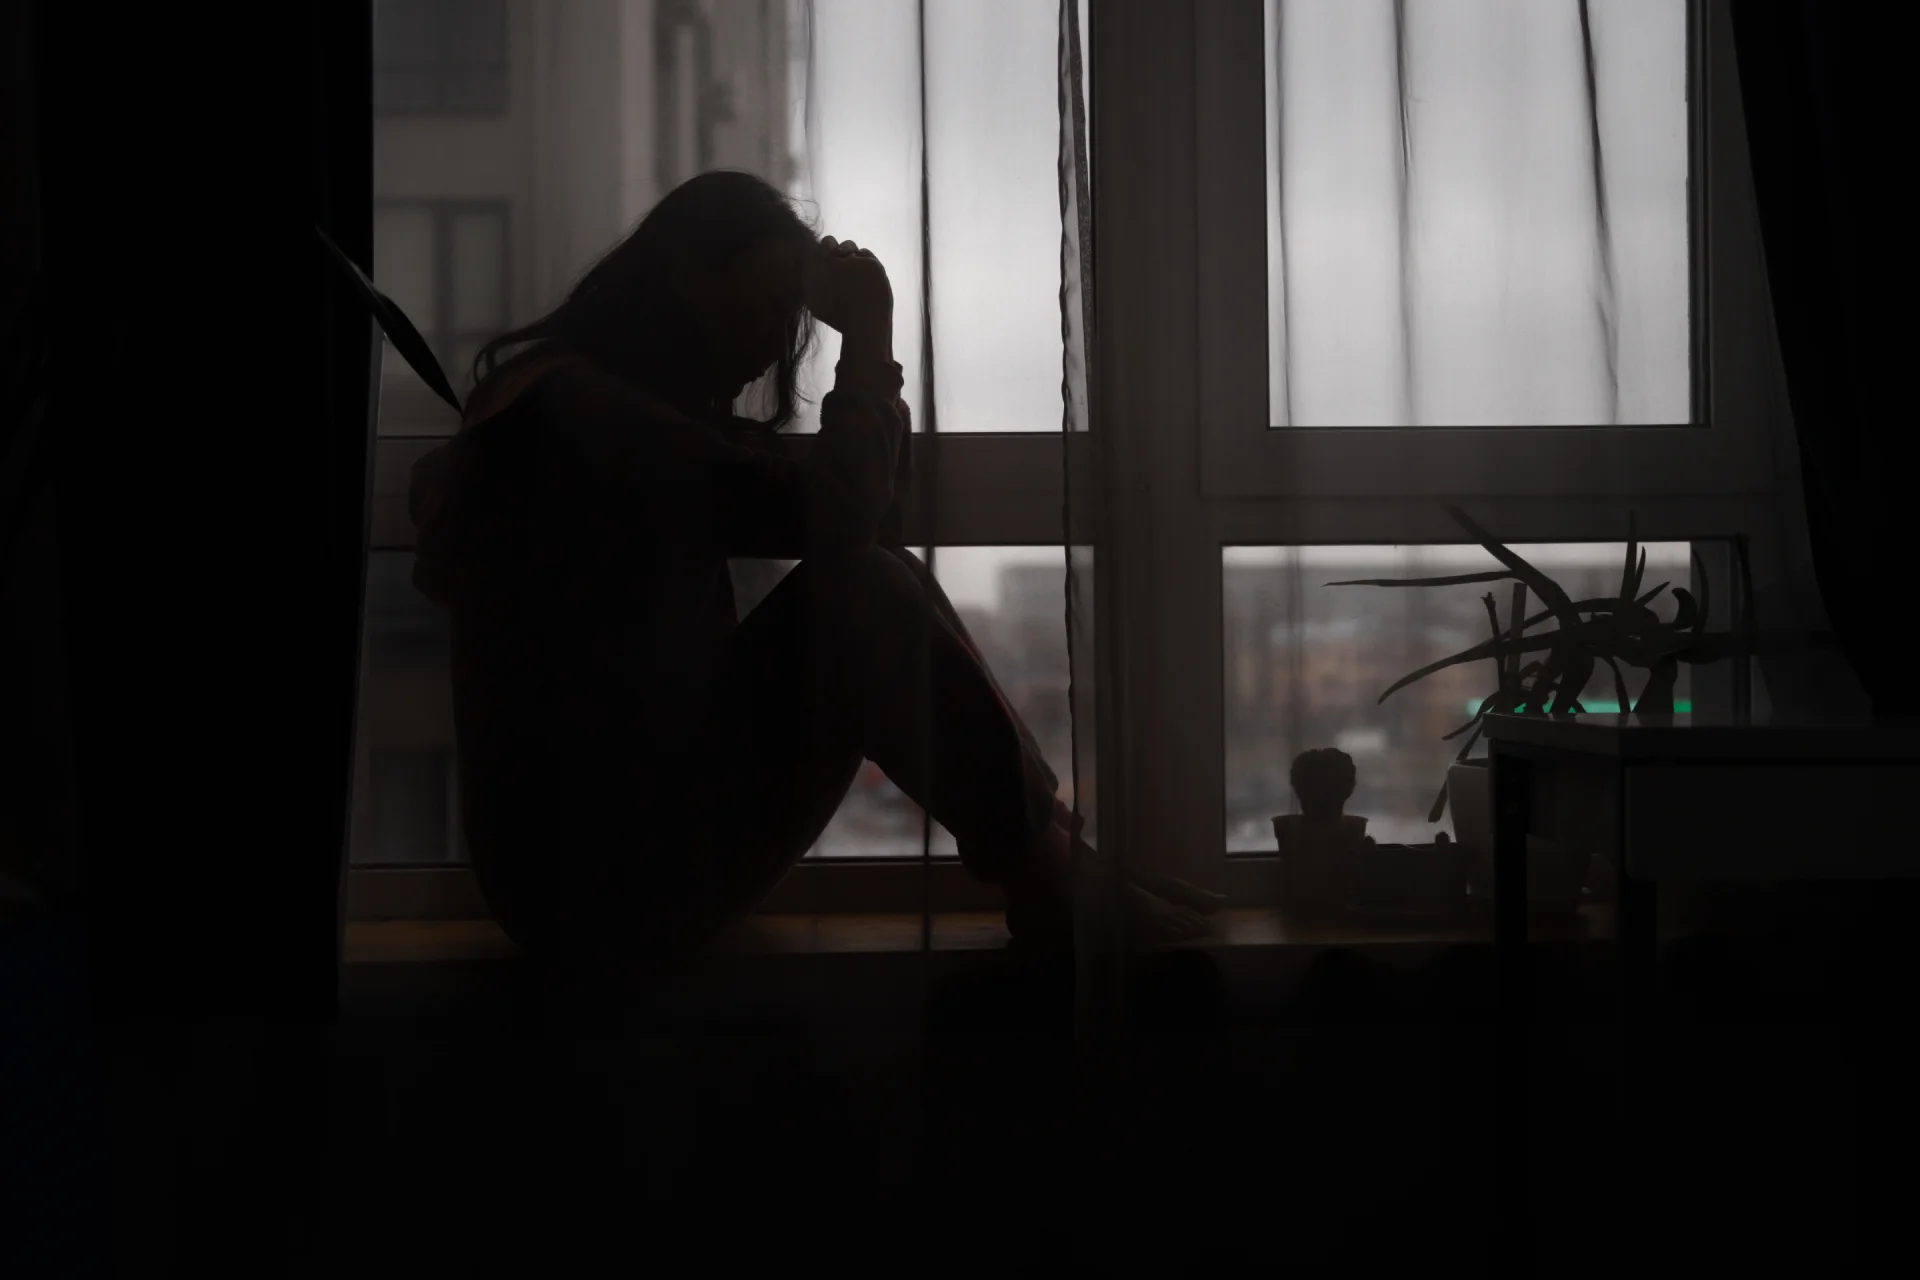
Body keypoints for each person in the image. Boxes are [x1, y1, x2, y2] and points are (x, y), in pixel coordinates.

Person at [407, 170, 1220, 975]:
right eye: (767, 307)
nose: (772, 342)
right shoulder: (580, 415)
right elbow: (842, 522)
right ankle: (1051, 875)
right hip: (605, 884)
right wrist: (868, 341)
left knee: (867, 577)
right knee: (857, 592)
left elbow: (861, 522)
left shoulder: (571, 405)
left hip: (586, 867)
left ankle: (1052, 857)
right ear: (690, 275)